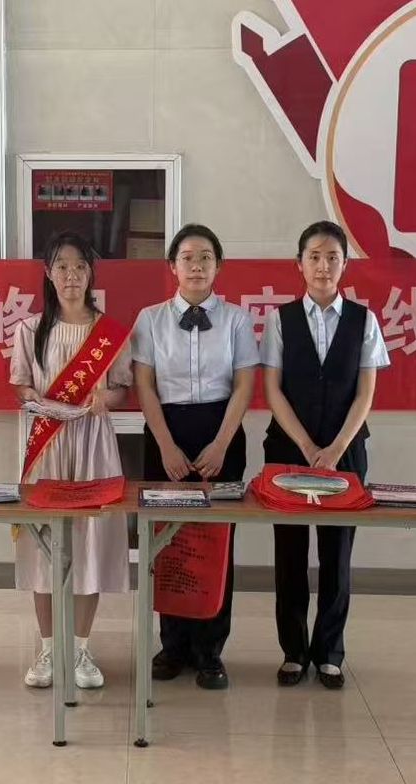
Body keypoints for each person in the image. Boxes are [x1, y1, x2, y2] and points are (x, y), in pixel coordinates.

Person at [262, 221, 389, 691]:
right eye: (314, 256)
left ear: (345, 264)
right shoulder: (280, 320)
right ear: (299, 264)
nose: (323, 265)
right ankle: (293, 652)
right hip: (287, 450)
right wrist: (306, 447)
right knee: (290, 554)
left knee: (337, 554)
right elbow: (273, 390)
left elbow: (365, 394)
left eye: (332, 257)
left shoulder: (364, 320)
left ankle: (330, 653)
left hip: (345, 453)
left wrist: (335, 449)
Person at [132, 223, 258, 690]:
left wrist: (222, 443)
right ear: (173, 266)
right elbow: (144, 385)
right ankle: (172, 645)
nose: (197, 265)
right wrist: (165, 444)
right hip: (165, 431)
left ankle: (210, 651)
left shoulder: (237, 320)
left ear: (218, 265)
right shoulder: (150, 319)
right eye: (187, 257)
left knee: (216, 542)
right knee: (167, 541)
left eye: (206, 257)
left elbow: (244, 385)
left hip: (220, 431)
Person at [11, 232, 131, 690]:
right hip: (48, 445)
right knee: (44, 543)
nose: (71, 275)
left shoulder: (110, 333)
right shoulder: (29, 330)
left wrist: (106, 399)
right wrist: (31, 396)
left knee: (89, 543)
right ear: (48, 273)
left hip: (93, 445)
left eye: (80, 266)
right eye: (61, 265)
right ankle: (47, 648)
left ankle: (80, 648)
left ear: (91, 274)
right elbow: (20, 384)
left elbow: (122, 389)